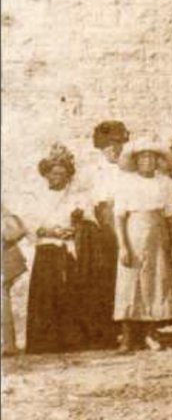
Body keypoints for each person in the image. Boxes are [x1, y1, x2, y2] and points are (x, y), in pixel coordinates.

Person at [112, 140, 172, 352]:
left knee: (154, 281)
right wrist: (123, 246)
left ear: (157, 160)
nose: (147, 161)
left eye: (151, 157)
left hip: (158, 234)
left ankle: (151, 333)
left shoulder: (165, 182)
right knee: (129, 281)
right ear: (136, 161)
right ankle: (127, 336)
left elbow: (170, 215)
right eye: (142, 157)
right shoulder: (126, 182)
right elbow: (119, 216)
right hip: (133, 232)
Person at [25, 144, 87, 354]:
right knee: (45, 294)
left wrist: (73, 229)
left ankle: (69, 340)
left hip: (66, 248)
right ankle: (44, 342)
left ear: (68, 175)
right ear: (47, 175)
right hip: (46, 249)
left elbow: (83, 221)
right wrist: (50, 232)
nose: (57, 177)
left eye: (62, 174)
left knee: (68, 293)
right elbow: (31, 223)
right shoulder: (37, 197)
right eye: (53, 173)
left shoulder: (74, 196)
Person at [75, 120, 130, 349]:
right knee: (102, 276)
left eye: (118, 144)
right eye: (108, 145)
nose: (114, 149)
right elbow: (83, 198)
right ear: (100, 147)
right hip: (100, 225)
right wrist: (93, 220)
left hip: (125, 222)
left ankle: (128, 329)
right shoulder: (91, 172)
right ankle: (103, 331)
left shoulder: (128, 169)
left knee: (125, 275)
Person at [1, 205, 25, 356]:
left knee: (3, 300)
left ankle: (9, 345)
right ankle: (9, 344)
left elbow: (12, 234)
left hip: (6, 261)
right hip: (7, 260)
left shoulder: (6, 214)